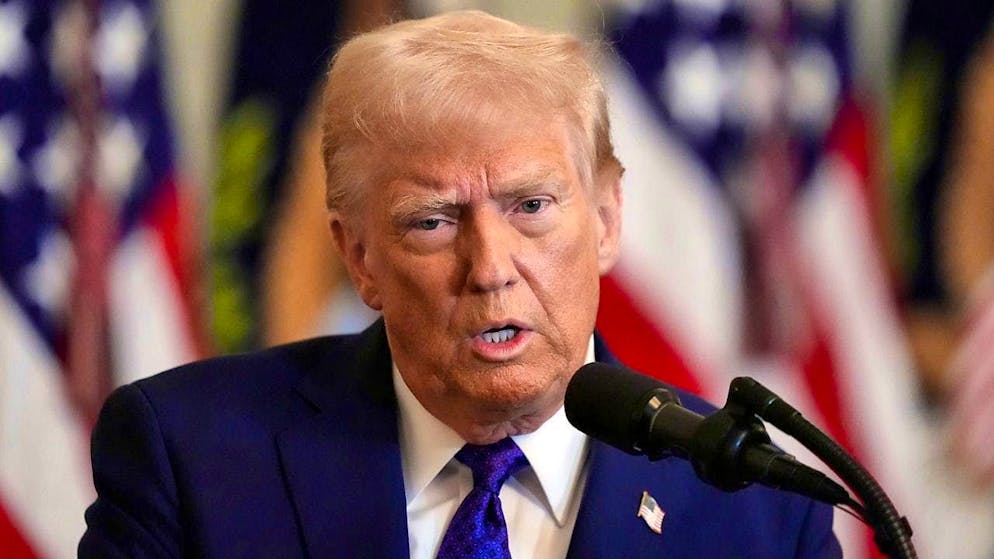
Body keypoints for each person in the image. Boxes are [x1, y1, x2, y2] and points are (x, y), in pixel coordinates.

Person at [79, 11, 841, 558]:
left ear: (608, 219)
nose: (490, 267)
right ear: (360, 257)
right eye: (433, 222)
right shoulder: (190, 458)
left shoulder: (758, 512)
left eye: (532, 207)